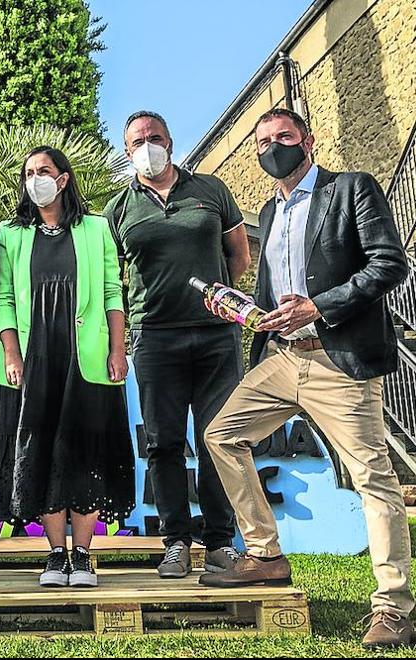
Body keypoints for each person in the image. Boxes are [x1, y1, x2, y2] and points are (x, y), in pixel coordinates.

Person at [201, 108, 413, 650]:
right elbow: (278, 296)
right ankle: (265, 555)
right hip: (282, 357)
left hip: (337, 357)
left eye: (283, 138)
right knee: (222, 435)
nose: (274, 147)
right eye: (264, 141)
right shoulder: (269, 213)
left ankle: (393, 607)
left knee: (372, 478)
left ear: (308, 142)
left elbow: (389, 264)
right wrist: (248, 311)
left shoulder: (350, 190)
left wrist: (318, 307)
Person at [103, 110, 251, 578]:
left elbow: (239, 256)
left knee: (217, 439)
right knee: (163, 442)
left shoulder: (211, 191)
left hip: (216, 337)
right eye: (137, 141)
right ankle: (175, 541)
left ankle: (220, 542)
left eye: (154, 137)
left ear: (170, 140)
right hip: (154, 338)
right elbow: (114, 282)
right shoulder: (118, 210)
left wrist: (219, 301)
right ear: (127, 151)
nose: (147, 146)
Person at [0, 147, 134, 589]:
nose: (36, 179)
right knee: (43, 452)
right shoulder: (10, 234)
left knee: (84, 452)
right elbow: (3, 300)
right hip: (33, 361)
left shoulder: (96, 230)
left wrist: (117, 348)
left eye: (45, 171)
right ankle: (55, 555)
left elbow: (113, 292)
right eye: (29, 173)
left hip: (85, 358)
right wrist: (12, 355)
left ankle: (85, 556)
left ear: (64, 179)